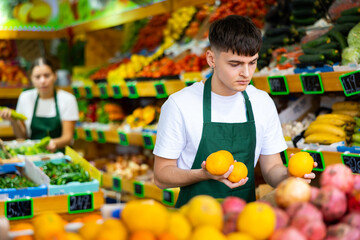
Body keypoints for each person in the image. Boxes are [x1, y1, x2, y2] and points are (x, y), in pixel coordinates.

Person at [153, 15, 316, 207]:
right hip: (194, 223)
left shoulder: (262, 102)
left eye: (252, 62)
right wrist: (201, 174)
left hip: (244, 223)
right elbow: (161, 175)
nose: (246, 74)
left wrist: (289, 176)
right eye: (235, 64)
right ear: (211, 59)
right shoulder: (180, 105)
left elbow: (272, 167)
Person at [0, 57, 79, 152]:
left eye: (47, 76)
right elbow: (21, 136)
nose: (42, 81)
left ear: (55, 76)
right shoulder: (25, 98)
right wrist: (13, 120)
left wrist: (54, 143)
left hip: (60, 156)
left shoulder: (67, 99)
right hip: (33, 155)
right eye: (37, 77)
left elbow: (68, 137)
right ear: (31, 79)